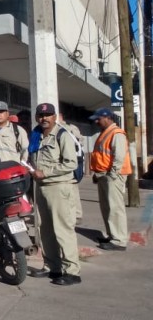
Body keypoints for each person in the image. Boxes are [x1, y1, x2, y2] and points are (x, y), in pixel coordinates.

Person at [28, 103, 81, 286]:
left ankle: (72, 271)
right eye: (41, 115)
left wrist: (46, 172)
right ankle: (52, 266)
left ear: (55, 116)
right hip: (41, 187)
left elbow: (70, 163)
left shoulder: (62, 134)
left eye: (48, 115)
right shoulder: (35, 135)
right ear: (37, 117)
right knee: (45, 230)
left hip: (59, 187)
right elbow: (33, 158)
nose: (44, 118)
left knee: (63, 229)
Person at [89, 107, 131, 251]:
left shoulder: (116, 133)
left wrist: (112, 175)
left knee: (115, 208)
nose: (96, 121)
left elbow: (119, 157)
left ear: (107, 118)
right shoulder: (105, 133)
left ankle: (119, 240)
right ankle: (113, 235)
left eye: (98, 119)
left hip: (113, 175)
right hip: (104, 175)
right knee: (107, 208)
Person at [59, 114, 85, 222]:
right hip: (70, 162)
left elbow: (79, 141)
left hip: (70, 162)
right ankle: (75, 214)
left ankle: (77, 214)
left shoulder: (68, 128)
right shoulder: (70, 127)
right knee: (71, 190)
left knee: (72, 189)